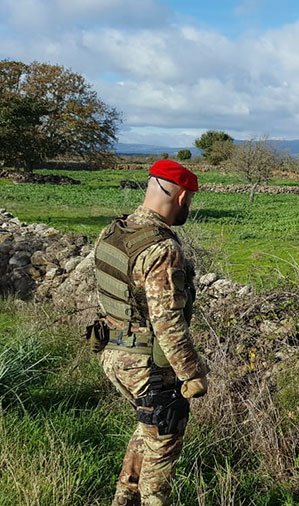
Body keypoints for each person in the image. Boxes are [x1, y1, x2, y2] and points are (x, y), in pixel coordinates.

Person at [92, 159, 208, 505]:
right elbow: (168, 321)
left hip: (115, 354)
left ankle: (123, 499)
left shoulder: (115, 230)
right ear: (183, 196)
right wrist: (191, 374)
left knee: (147, 432)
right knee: (162, 449)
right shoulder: (162, 249)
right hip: (148, 368)